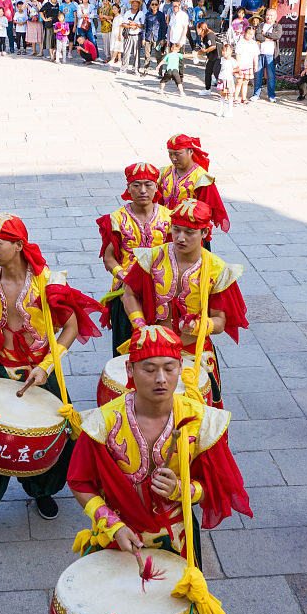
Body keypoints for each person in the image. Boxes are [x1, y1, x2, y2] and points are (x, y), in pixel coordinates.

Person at [66, 324, 253, 614]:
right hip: (120, 537)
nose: (161, 378)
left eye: (169, 367)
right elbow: (80, 482)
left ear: (181, 368)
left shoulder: (199, 421)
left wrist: (187, 489)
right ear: (130, 371)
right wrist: (111, 522)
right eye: (149, 368)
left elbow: (219, 485)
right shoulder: (104, 421)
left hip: (177, 537)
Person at [0, 213, 104, 541]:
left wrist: (46, 366)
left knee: (46, 439)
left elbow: (72, 326)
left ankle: (40, 489)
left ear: (19, 245)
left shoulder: (46, 282)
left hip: (37, 374)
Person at [120, 198, 248, 408]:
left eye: (189, 232)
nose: (180, 238)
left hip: (193, 352)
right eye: (176, 230)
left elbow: (220, 321)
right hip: (152, 347)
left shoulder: (217, 270)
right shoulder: (153, 257)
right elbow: (130, 294)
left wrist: (198, 326)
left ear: (205, 233)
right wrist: (141, 327)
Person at [97, 162, 172, 354]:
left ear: (157, 187)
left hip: (161, 288)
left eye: (148, 184)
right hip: (125, 289)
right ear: (128, 188)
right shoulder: (116, 219)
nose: (143, 190)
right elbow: (109, 258)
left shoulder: (169, 217)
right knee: (127, 346)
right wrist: (126, 277)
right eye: (136, 185)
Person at [160, 134, 229, 233]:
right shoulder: (164, 173)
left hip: (190, 232)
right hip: (166, 228)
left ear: (191, 152)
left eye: (177, 154)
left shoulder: (201, 178)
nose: (173, 158)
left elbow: (206, 210)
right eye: (170, 154)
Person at [251, 8, 282, 102]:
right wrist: (267, 38)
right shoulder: (261, 25)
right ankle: (256, 94)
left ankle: (271, 95)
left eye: (271, 15)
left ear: (275, 16)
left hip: (271, 55)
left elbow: (277, 36)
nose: (269, 17)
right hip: (260, 54)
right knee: (258, 75)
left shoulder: (278, 26)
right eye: (268, 15)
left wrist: (265, 34)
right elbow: (258, 36)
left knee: (271, 76)